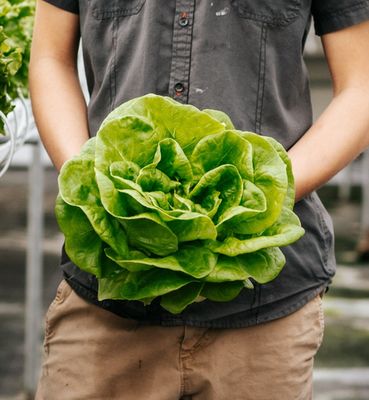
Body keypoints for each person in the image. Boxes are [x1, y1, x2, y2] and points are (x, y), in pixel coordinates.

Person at [30, 1, 369, 398]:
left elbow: (361, 86)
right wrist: (98, 190)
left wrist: (254, 202)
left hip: (263, 315)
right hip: (108, 299)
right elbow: (50, 59)